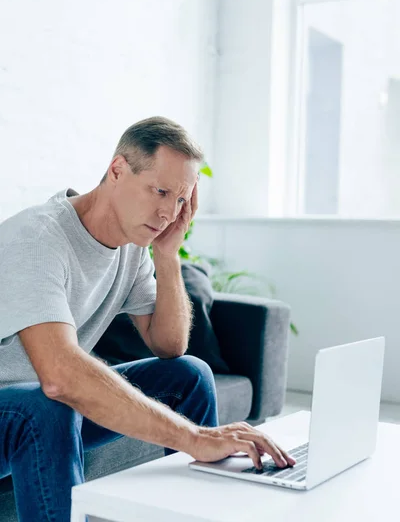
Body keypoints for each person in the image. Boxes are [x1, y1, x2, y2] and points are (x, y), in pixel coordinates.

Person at [0, 116, 295, 522]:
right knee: (49, 405)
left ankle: (192, 515)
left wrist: (168, 256)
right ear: (117, 170)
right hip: (14, 411)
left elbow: (169, 345)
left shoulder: (133, 246)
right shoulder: (38, 239)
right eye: (160, 191)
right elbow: (59, 376)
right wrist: (194, 437)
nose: (167, 213)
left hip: (37, 404)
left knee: (188, 375)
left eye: (179, 199)